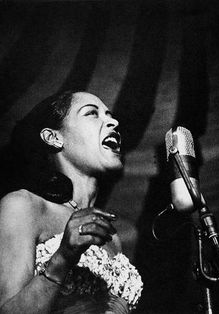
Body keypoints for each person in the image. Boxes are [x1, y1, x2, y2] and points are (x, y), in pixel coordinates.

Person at [0, 91, 142, 314]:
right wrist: (63, 257)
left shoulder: (112, 237)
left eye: (110, 115)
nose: (113, 122)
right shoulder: (23, 206)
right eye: (92, 114)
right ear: (54, 137)